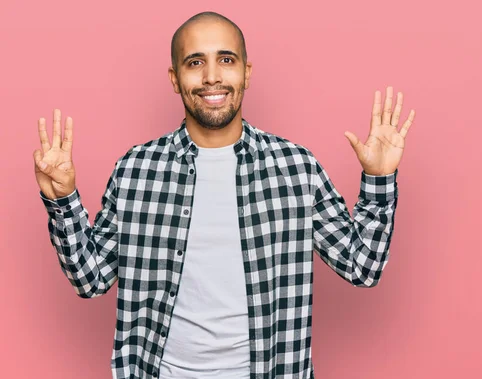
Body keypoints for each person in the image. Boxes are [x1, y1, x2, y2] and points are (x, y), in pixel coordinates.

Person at [33, 11, 415, 379]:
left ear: (246, 73)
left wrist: (379, 179)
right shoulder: (136, 169)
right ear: (174, 77)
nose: (212, 77)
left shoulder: (296, 168)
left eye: (226, 60)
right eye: (195, 62)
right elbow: (90, 277)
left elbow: (363, 267)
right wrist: (63, 201)